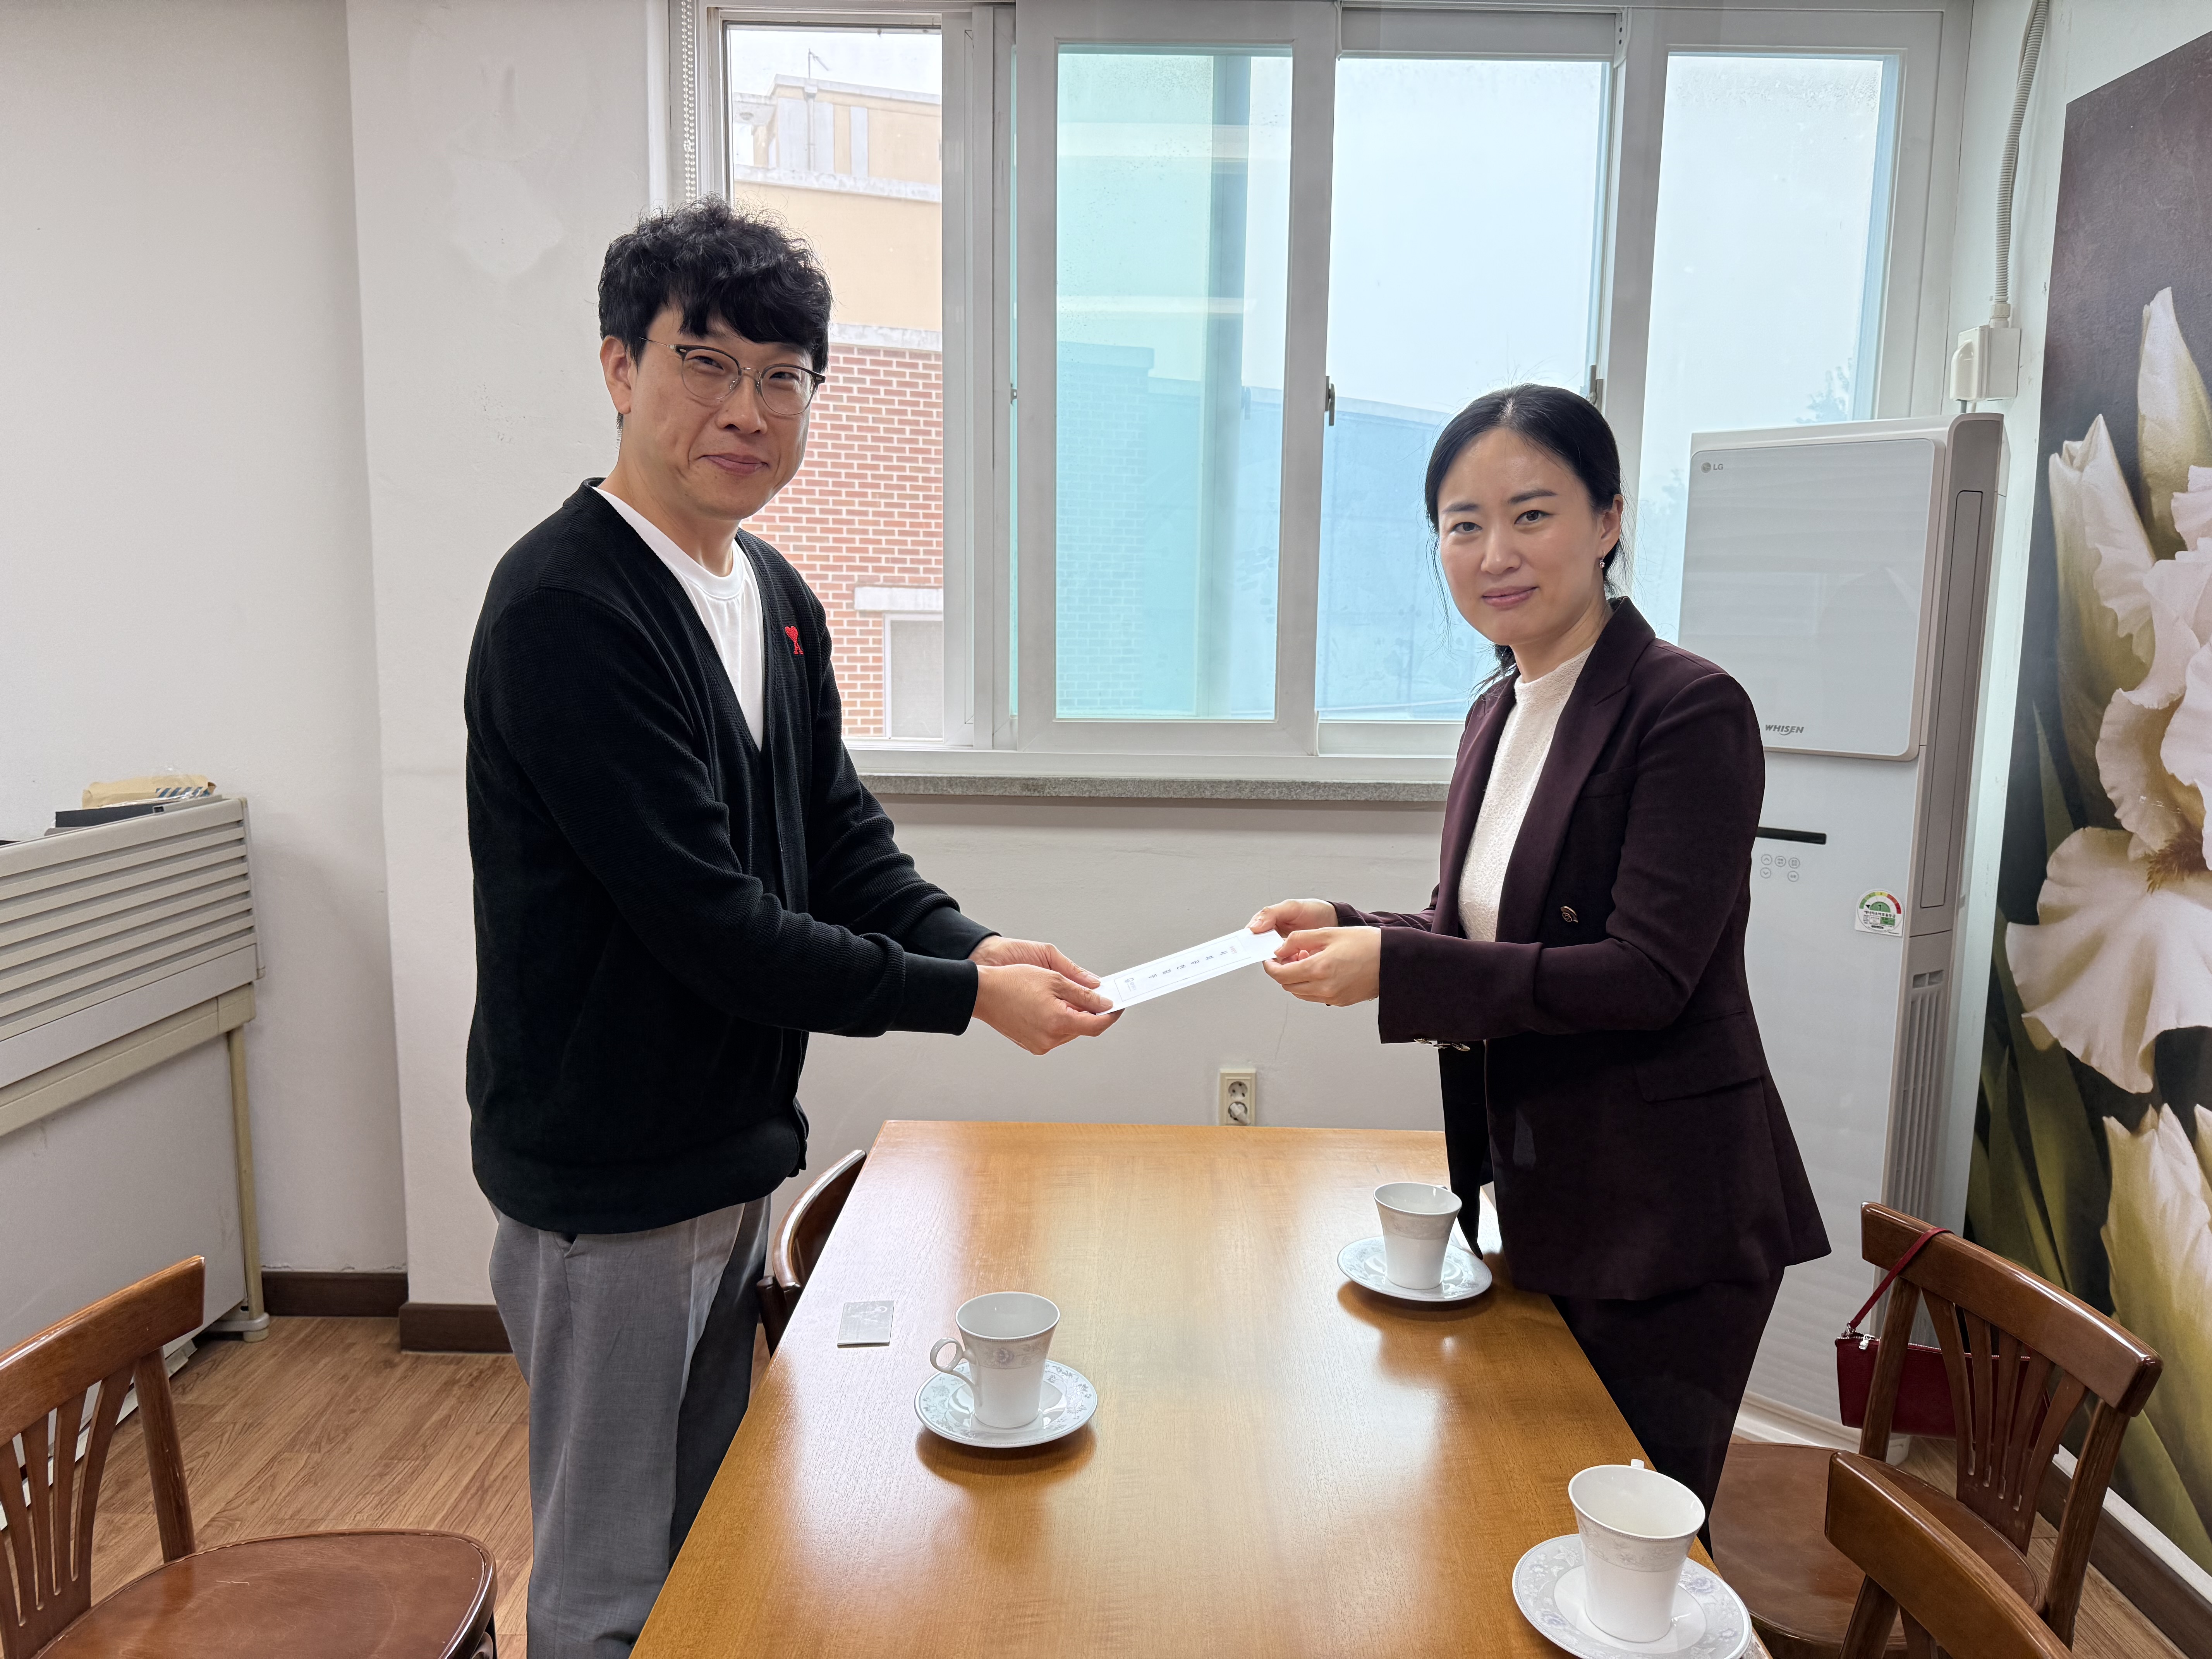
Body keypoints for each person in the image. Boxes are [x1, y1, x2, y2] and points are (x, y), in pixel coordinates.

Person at [463, 200, 1117, 1659]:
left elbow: (839, 844)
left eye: (783, 376)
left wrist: (977, 946)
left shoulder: (774, 598)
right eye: (705, 363)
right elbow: (714, 924)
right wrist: (962, 997)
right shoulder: (566, 606)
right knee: (607, 1585)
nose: (746, 411)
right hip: (609, 1181)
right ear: (620, 368)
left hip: (728, 1150)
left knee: (709, 1534)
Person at [1250, 383, 1828, 1524]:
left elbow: (1644, 975)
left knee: (1626, 1548)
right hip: (1541, 1184)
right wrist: (1356, 925)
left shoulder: (1689, 708)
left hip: (1666, 1214)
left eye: (1532, 514)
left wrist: (1397, 971)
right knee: (1514, 1513)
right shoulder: (1500, 707)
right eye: (1462, 525)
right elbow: (1479, 931)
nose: (1495, 555)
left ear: (1608, 521)